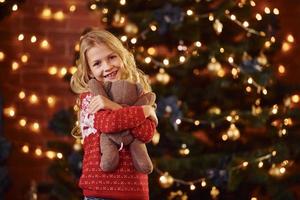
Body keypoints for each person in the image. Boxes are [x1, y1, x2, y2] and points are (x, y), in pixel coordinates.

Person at [70, 28, 157, 200]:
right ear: (89, 72)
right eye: (97, 63)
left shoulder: (138, 96)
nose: (107, 67)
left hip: (135, 191)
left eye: (112, 57)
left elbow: (145, 133)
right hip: (100, 192)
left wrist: (113, 106)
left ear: (122, 56)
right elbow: (108, 124)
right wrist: (145, 112)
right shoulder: (90, 100)